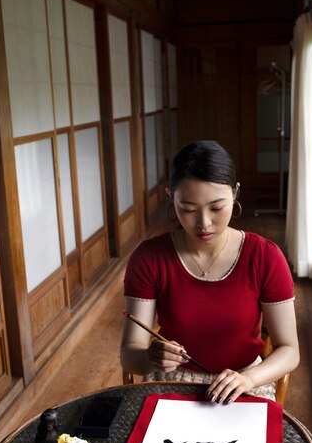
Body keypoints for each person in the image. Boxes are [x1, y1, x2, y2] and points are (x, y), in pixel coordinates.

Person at [120, 140, 299, 403]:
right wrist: (150, 357)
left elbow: (289, 350)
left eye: (216, 208)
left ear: (235, 192)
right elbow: (129, 354)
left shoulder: (265, 257)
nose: (204, 223)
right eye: (188, 210)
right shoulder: (149, 258)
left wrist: (249, 378)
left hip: (244, 381)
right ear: (171, 196)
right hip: (174, 379)